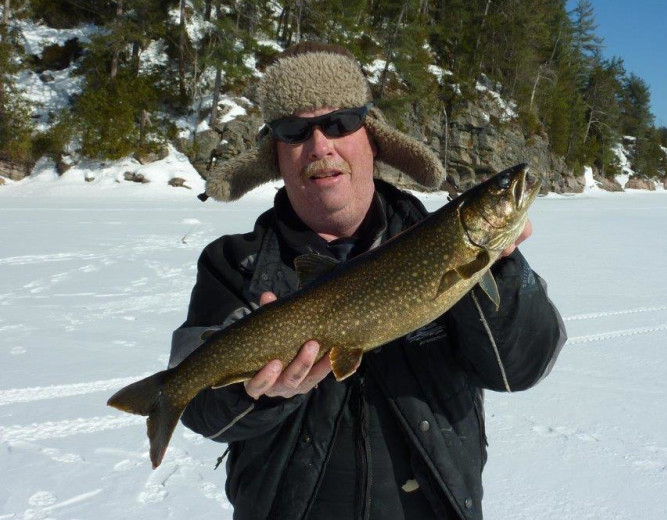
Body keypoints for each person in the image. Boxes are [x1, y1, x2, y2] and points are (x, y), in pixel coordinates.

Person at [170, 42, 567, 520]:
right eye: (295, 131)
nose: (320, 146)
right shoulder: (236, 264)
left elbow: (521, 368)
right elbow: (197, 406)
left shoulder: (435, 238)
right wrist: (255, 395)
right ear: (275, 155)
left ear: (371, 137)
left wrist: (501, 265)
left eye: (339, 123)